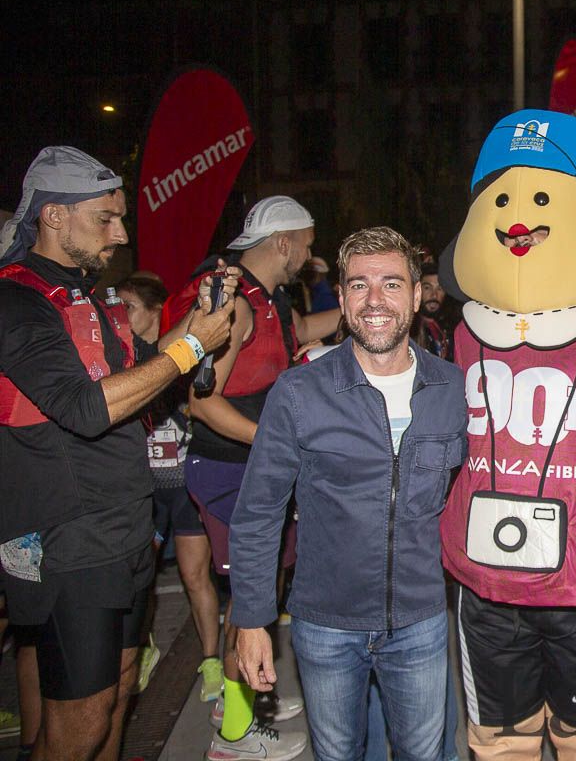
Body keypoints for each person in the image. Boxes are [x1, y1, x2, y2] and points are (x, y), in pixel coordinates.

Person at [0, 146, 235, 761]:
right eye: (105, 218)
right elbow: (86, 408)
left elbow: (146, 369)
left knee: (121, 696)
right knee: (77, 723)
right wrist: (188, 351)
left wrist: (201, 322)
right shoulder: (16, 302)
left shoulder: (90, 298)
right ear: (53, 217)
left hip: (127, 529)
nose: (122, 233)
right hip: (69, 538)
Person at [232, 226, 467, 760]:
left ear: (415, 293)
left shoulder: (451, 387)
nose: (376, 300)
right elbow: (258, 513)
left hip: (421, 619)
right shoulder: (298, 392)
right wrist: (251, 619)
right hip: (324, 623)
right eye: (359, 286)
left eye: (390, 283)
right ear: (340, 298)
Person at [181, 195, 340, 759]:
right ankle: (232, 737)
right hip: (229, 470)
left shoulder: (267, 297)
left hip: (251, 468)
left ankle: (238, 696)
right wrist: (276, 444)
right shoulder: (238, 303)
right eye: (308, 242)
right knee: (250, 599)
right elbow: (204, 404)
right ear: (283, 243)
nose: (310, 253)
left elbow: (300, 328)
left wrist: (364, 305)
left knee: (261, 589)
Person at [117, 274, 224, 701]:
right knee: (137, 582)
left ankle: (211, 660)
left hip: (183, 486)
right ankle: (140, 648)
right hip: (144, 491)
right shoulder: (121, 362)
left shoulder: (179, 356)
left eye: (128, 307)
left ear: (153, 311)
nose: (119, 316)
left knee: (195, 575)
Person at [415, 262, 450, 358]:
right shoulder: (409, 330)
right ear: (417, 290)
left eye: (440, 288)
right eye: (427, 288)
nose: (434, 295)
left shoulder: (449, 328)